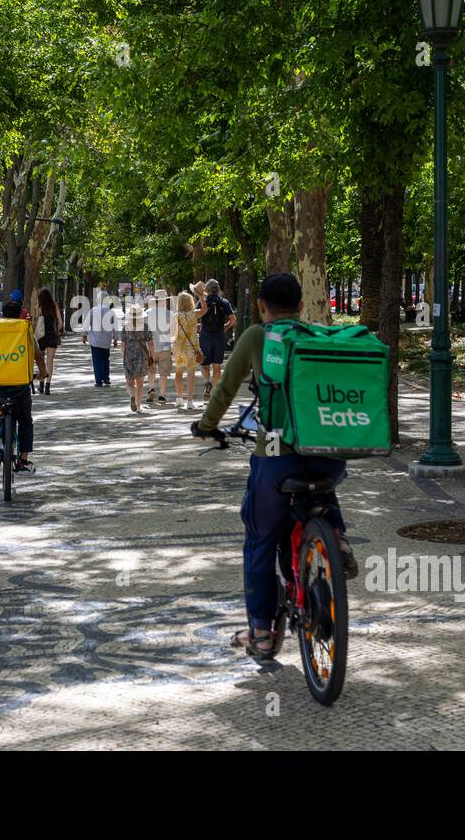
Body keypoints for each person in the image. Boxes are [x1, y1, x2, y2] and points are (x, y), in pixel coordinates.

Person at [190, 273, 358, 661]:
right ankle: (336, 535)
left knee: (259, 538)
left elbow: (225, 388)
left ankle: (261, 634)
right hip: (329, 453)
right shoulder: (317, 336)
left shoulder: (256, 337)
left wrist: (207, 427)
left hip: (275, 453)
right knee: (322, 485)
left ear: (262, 307)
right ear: (301, 307)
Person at [0, 300, 48, 473]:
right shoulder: (25, 331)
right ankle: (23, 460)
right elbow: (38, 355)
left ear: (2, 314)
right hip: (19, 387)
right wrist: (43, 372)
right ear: (19, 315)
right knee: (25, 421)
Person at [198, 278, 236, 402]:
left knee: (204, 363)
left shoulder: (202, 302)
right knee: (217, 365)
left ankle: (207, 382)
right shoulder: (224, 302)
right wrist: (225, 326)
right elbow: (233, 320)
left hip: (205, 336)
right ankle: (214, 392)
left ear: (207, 290)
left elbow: (196, 316)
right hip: (219, 336)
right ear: (218, 290)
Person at [119, 301, 154, 414]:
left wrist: (123, 356)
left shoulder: (126, 328)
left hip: (128, 355)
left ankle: (132, 396)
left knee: (129, 382)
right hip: (142, 355)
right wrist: (151, 356)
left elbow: (123, 344)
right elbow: (151, 344)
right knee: (140, 382)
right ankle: (138, 406)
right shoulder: (145, 327)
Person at [171, 290, 202, 410]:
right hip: (192, 347)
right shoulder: (194, 314)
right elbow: (205, 309)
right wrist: (201, 296)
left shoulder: (175, 316)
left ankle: (179, 398)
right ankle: (190, 401)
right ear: (190, 302)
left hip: (179, 346)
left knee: (178, 373)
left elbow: (172, 333)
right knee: (191, 374)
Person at [145, 289, 175, 405]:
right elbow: (172, 332)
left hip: (150, 346)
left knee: (151, 369)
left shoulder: (147, 313)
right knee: (163, 372)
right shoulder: (170, 314)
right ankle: (162, 395)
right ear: (165, 301)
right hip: (165, 346)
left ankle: (151, 388)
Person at [83, 290, 118, 387]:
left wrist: (84, 335)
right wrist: (115, 339)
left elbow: (86, 324)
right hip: (106, 341)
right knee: (105, 359)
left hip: (95, 340)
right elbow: (115, 327)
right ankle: (106, 378)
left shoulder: (93, 311)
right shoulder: (111, 312)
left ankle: (98, 381)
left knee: (96, 360)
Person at [34, 287, 63, 394]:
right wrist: (56, 331)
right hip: (52, 336)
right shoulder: (54, 307)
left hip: (41, 337)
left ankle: (41, 384)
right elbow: (60, 323)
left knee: (40, 361)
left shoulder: (39, 307)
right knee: (50, 362)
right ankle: (47, 386)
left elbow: (36, 323)